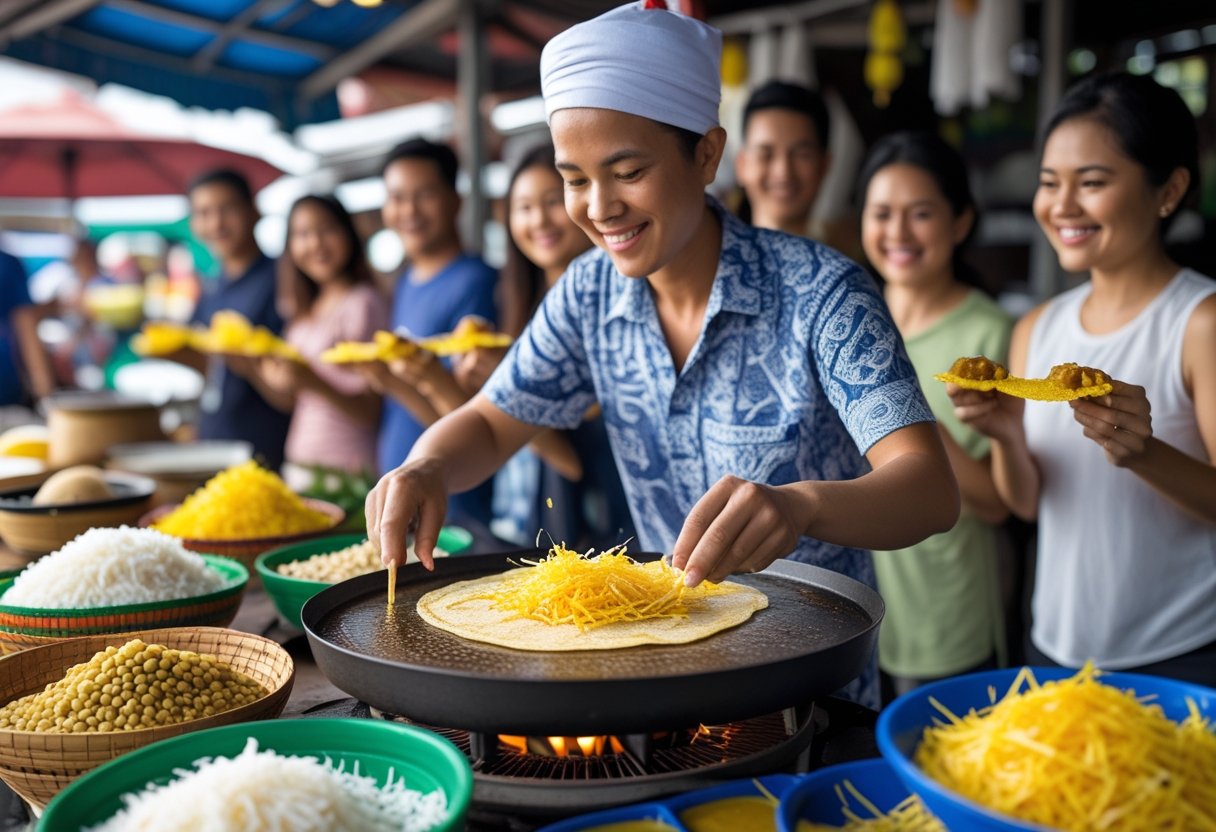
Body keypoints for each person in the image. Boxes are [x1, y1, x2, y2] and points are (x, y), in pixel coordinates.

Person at [366, 2, 959, 709]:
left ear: (707, 153)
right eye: (575, 178)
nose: (598, 207)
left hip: (806, 687)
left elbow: (929, 489)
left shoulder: (820, 290)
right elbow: (496, 422)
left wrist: (801, 507)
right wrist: (427, 466)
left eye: (626, 170)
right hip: (657, 678)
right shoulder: (588, 292)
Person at [948, 72, 1216, 687]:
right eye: (1049, 183)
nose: (1061, 206)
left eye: (1091, 183)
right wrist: (1008, 437)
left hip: (1178, 654)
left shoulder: (1199, 322)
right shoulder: (1036, 328)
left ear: (1169, 190)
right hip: (1053, 648)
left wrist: (1143, 453)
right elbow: (1028, 503)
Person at [386, 144, 636, 547]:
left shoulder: (613, 304)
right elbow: (490, 430)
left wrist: (503, 377)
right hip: (520, 523)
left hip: (596, 535)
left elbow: (569, 457)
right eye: (523, 207)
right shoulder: (517, 308)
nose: (538, 220)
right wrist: (417, 379)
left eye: (553, 201)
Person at [858, 132, 1012, 699]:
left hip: (945, 606)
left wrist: (910, 419)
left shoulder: (990, 333)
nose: (898, 233)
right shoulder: (851, 323)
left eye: (920, 213)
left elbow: (998, 502)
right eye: (882, 214)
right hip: (859, 598)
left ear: (960, 222)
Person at [360, 139, 498, 526]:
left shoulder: (477, 281)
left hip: (455, 504)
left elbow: (478, 414)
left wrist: (393, 380)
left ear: (456, 200)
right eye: (397, 197)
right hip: (406, 494)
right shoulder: (406, 280)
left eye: (424, 195)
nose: (408, 211)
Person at [247, 195, 387, 487]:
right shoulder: (305, 310)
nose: (315, 244)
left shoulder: (363, 303)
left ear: (349, 234)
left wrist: (311, 380)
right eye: (302, 234)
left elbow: (371, 411)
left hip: (347, 474)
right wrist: (250, 367)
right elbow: (293, 400)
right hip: (302, 467)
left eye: (326, 229)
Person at [184, 168, 290, 470]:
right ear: (193, 224)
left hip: (264, 447)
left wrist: (247, 362)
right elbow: (206, 363)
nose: (216, 223)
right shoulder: (212, 286)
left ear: (253, 211)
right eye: (204, 213)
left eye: (227, 209)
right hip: (214, 441)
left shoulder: (282, 279)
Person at [734, 80, 831, 239]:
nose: (783, 172)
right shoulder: (709, 260)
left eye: (802, 154)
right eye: (766, 154)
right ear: (741, 165)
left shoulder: (843, 263)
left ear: (824, 165)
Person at [0, 247, 54, 405]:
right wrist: (44, 392)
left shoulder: (7, 264)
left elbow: (25, 322)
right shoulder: (6, 264)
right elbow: (25, 324)